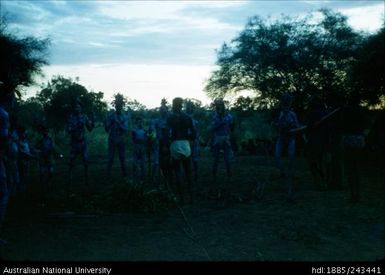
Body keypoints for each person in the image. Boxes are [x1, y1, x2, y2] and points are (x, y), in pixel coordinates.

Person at [167, 97, 195, 204]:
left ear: (174, 105)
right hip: (185, 144)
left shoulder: (170, 118)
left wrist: (167, 144)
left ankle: (181, 198)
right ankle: (191, 197)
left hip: (175, 144)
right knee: (188, 171)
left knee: (177, 172)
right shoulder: (187, 117)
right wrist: (190, 142)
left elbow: (167, 133)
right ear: (182, 105)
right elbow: (193, 133)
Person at [273, 93, 300, 200]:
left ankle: (290, 174)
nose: (285, 106)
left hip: (290, 138)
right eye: (284, 104)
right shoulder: (280, 114)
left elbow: (297, 125)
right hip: (281, 137)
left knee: (291, 157)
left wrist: (292, 126)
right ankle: (283, 173)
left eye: (287, 104)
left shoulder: (292, 114)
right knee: (277, 156)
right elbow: (276, 124)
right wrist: (276, 124)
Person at [67, 98, 94, 187]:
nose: (77, 108)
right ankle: (69, 180)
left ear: (81, 108)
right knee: (71, 162)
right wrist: (76, 126)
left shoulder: (84, 116)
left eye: (78, 107)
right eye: (75, 107)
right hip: (74, 143)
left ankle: (86, 180)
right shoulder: (71, 117)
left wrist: (92, 122)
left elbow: (90, 129)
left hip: (83, 143)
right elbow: (68, 130)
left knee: (86, 162)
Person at [105, 94, 130, 178]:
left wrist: (118, 122)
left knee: (122, 158)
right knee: (110, 158)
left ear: (122, 106)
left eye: (120, 105)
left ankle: (125, 174)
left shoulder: (125, 116)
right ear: (115, 106)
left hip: (121, 138)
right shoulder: (110, 116)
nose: (118, 107)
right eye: (117, 105)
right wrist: (108, 122)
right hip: (112, 138)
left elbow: (125, 129)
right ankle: (107, 174)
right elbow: (107, 129)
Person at [211, 98, 234, 187]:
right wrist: (221, 122)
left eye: (220, 104)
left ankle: (229, 176)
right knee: (216, 159)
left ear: (223, 105)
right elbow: (213, 128)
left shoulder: (229, 116)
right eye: (218, 105)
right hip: (217, 139)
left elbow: (231, 128)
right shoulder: (214, 115)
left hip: (226, 138)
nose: (219, 106)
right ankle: (214, 176)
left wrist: (230, 126)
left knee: (227, 159)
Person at [185, 101, 200, 184]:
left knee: (194, 159)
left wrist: (196, 139)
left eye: (191, 107)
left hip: (194, 141)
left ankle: (195, 175)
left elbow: (197, 132)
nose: (189, 108)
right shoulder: (185, 120)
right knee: (188, 159)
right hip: (187, 141)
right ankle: (189, 175)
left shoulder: (195, 121)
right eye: (188, 107)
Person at [132, 117, 147, 183]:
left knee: (143, 161)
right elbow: (134, 139)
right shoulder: (134, 130)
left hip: (142, 146)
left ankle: (143, 176)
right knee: (136, 161)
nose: (140, 123)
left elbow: (145, 138)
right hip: (137, 146)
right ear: (136, 122)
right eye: (138, 121)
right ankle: (136, 176)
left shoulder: (144, 130)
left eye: (141, 121)